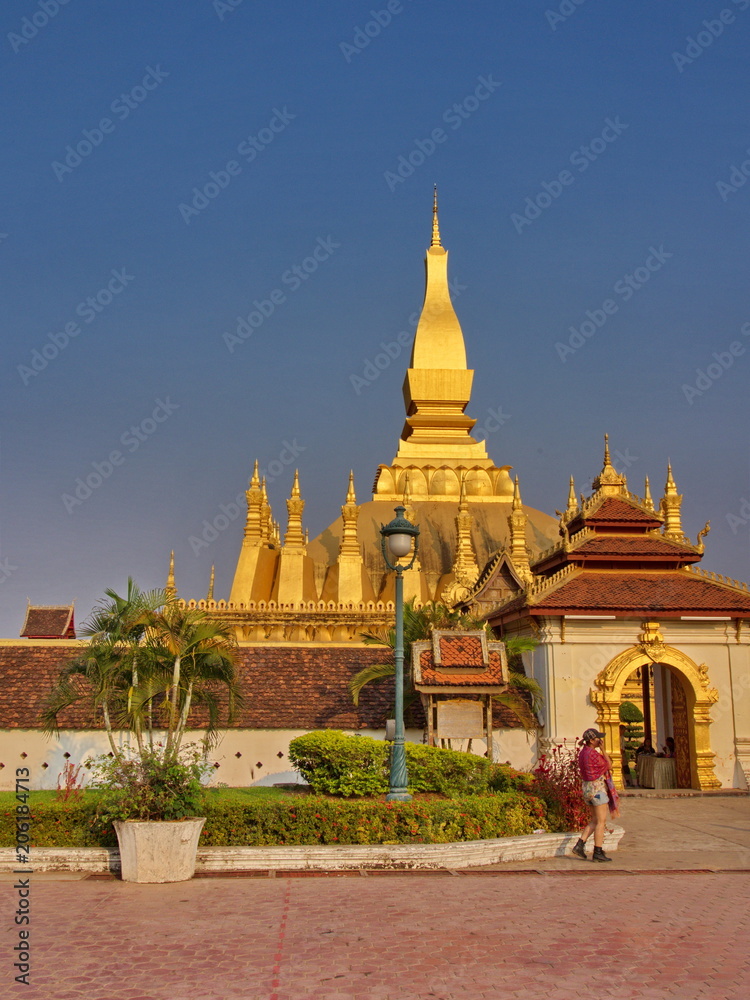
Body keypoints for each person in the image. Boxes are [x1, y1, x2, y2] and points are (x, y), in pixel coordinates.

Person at [571, 728, 618, 862]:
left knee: (595, 820)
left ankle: (580, 844)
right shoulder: (593, 754)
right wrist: (603, 749)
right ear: (591, 740)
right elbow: (609, 765)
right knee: (601, 822)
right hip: (597, 789)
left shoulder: (583, 753)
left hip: (587, 789)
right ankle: (598, 851)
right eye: (598, 738)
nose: (600, 740)